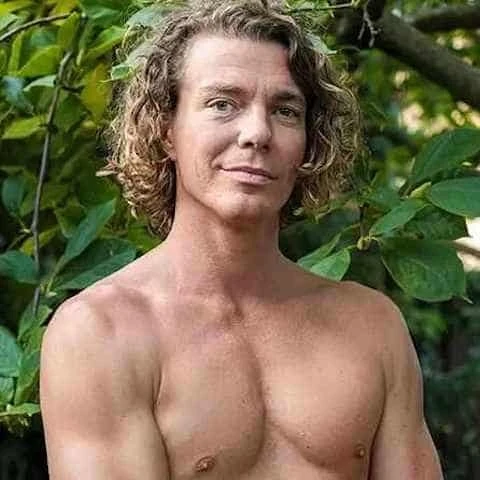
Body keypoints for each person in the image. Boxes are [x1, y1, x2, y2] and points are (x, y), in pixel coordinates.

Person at [40, 1, 444, 478]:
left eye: (285, 110)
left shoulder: (372, 327)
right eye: (222, 104)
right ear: (165, 130)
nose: (256, 132)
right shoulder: (101, 334)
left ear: (309, 142)